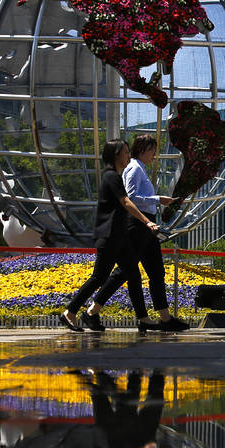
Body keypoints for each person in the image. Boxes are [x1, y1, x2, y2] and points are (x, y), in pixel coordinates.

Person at [59, 139, 162, 333]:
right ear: (115, 155)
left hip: (119, 237)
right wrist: (146, 221)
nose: (128, 156)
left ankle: (143, 317)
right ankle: (70, 312)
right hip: (109, 236)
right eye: (125, 152)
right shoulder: (111, 177)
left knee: (133, 275)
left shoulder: (116, 175)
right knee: (99, 277)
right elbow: (126, 201)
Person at [103, 134, 189, 333]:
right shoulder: (134, 168)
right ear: (142, 150)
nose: (154, 155)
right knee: (124, 271)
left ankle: (165, 318)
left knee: (156, 272)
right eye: (152, 150)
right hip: (139, 225)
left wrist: (157, 202)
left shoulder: (139, 169)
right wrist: (158, 199)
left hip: (148, 227)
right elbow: (130, 197)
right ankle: (93, 309)